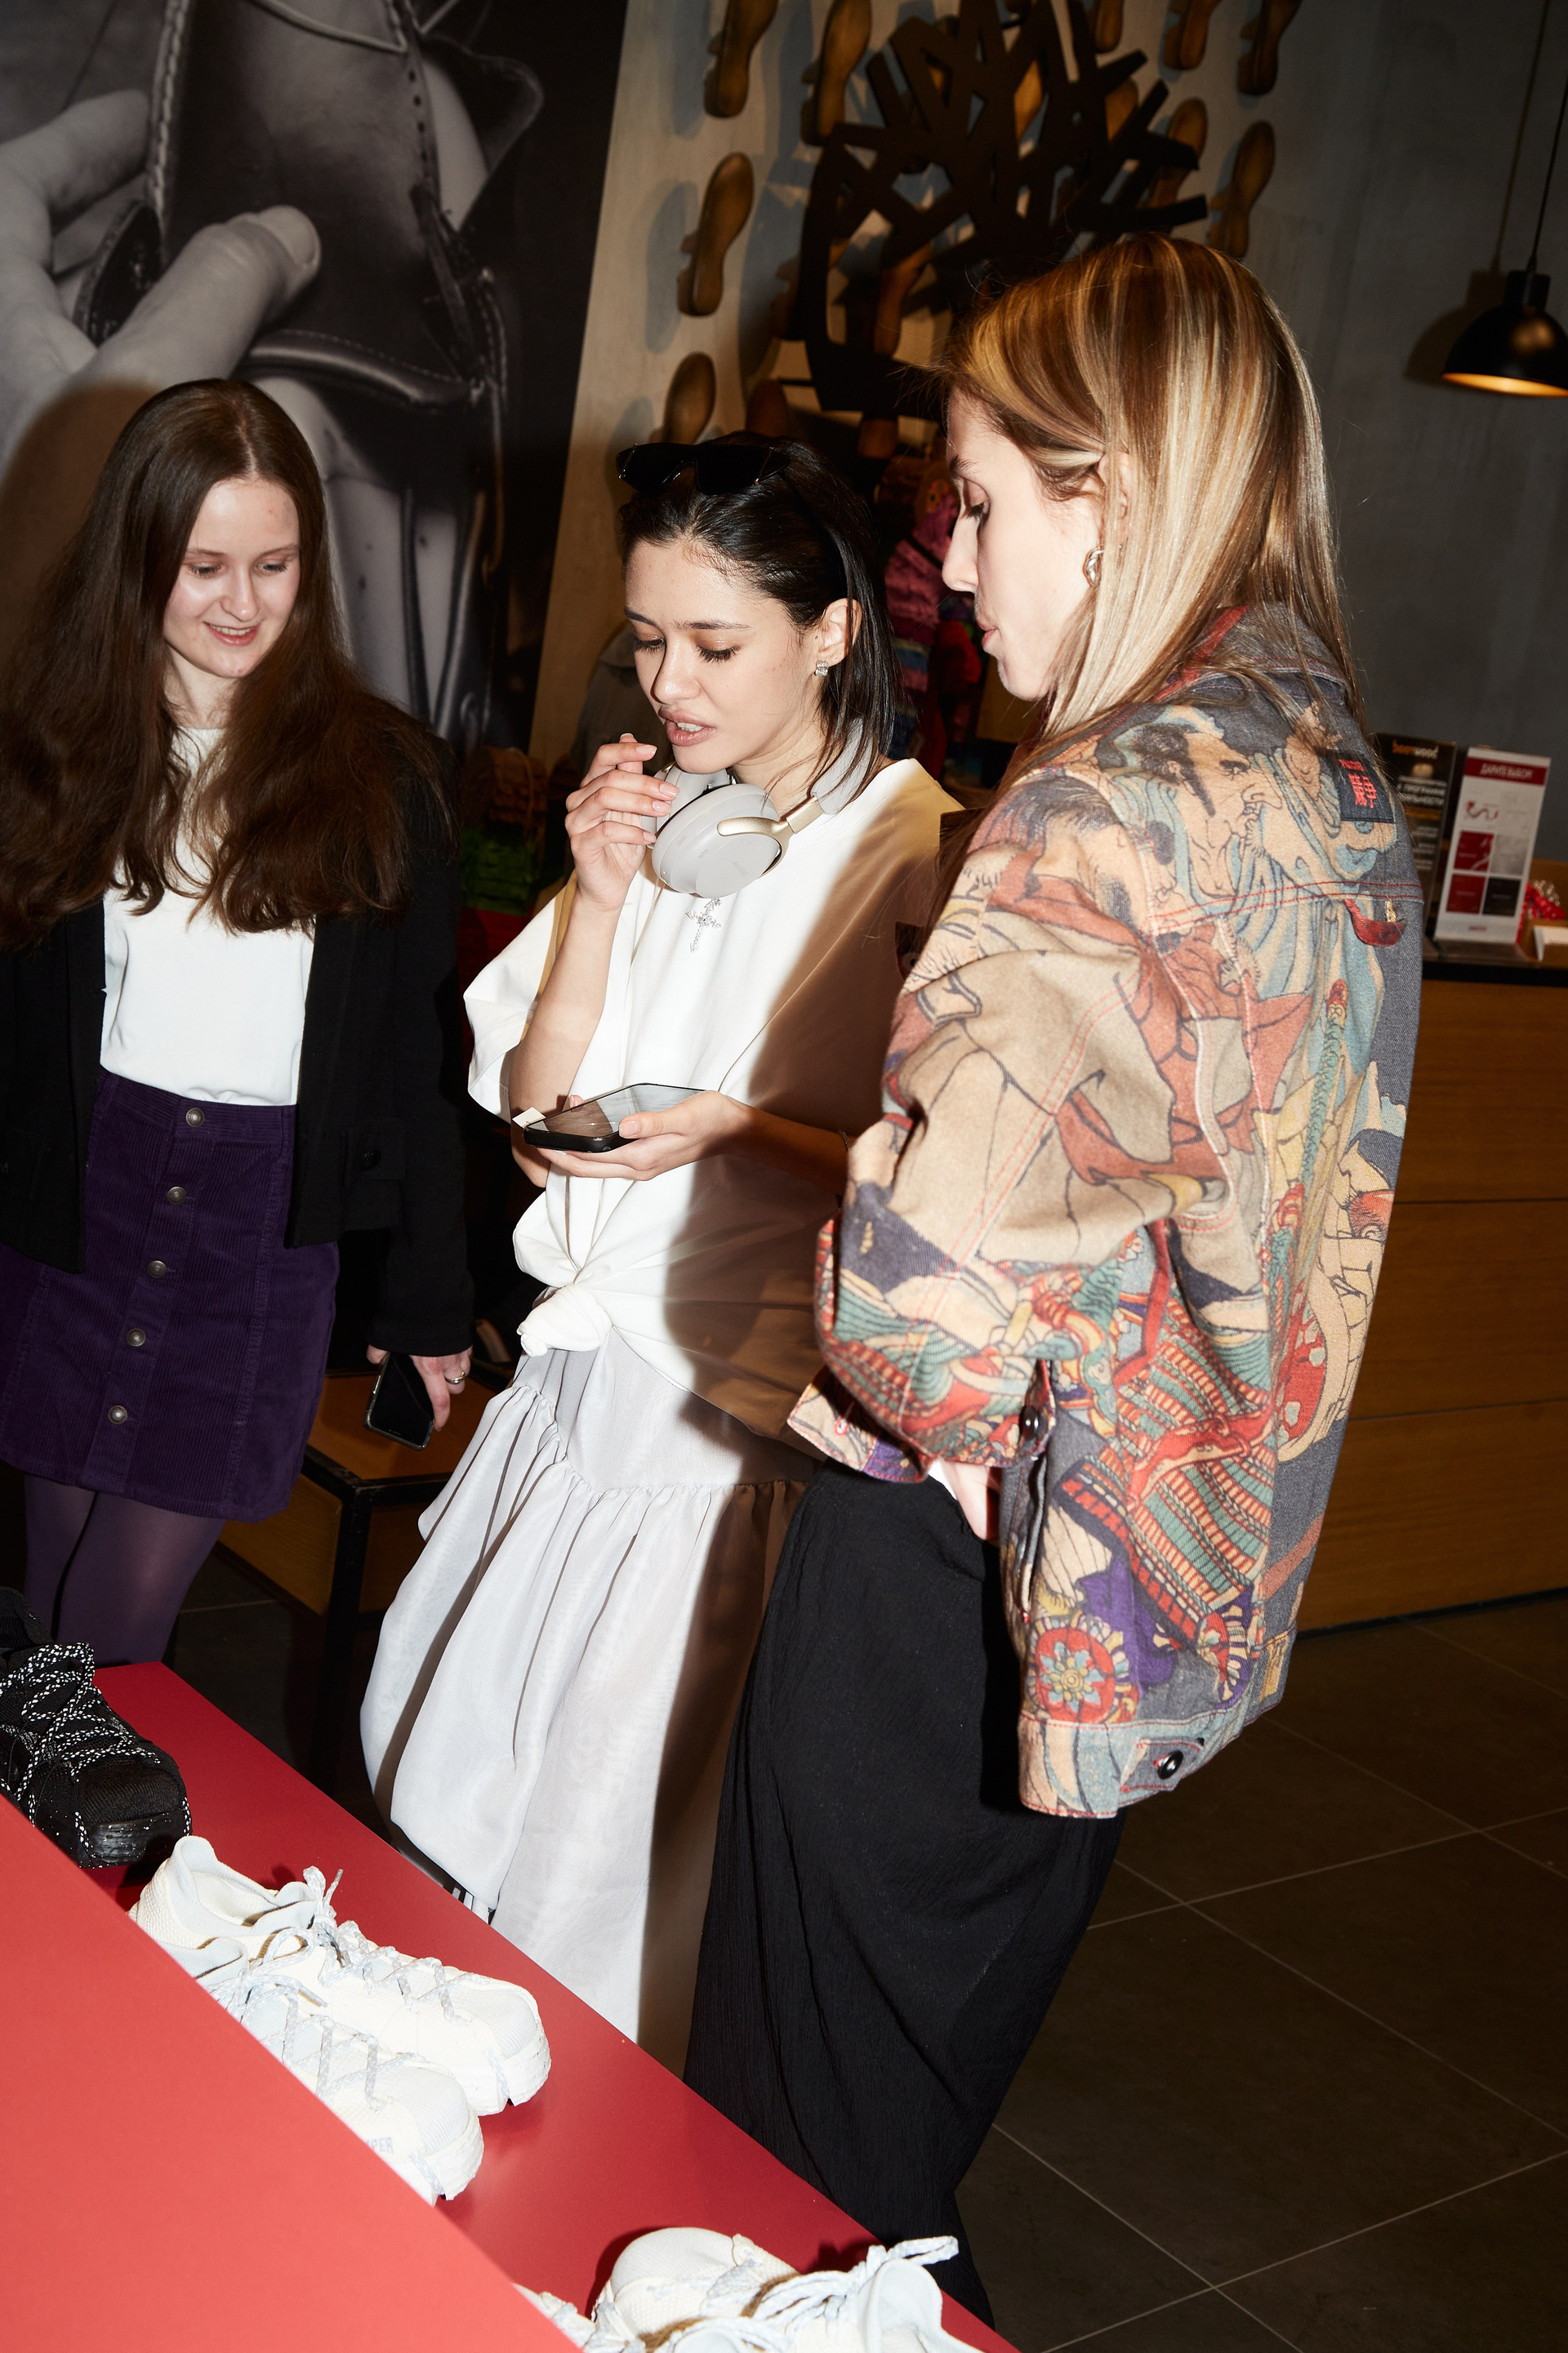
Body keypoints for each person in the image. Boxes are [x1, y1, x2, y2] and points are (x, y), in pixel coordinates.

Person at [684, 236, 1424, 2322]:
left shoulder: (1098, 805)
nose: (951, 553)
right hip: (1133, 1594)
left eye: (983, 497)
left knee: (794, 2181)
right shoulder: (1322, 766)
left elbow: (917, 1340)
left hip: (945, 1571)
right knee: (902, 2137)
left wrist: (859, 1188)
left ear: (1112, 498)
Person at [362, 436, 955, 2069]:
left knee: (610, 1879)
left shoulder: (924, 854)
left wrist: (739, 1132)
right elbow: (536, 1116)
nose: (668, 684)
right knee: (466, 1796)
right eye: (646, 641)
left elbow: (946, 1197)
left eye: (713, 644)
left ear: (833, 630)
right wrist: (606, 896)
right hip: (580, 1402)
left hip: (734, 1435)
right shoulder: (676, 810)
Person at [0, 378, 472, 1666]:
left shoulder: (385, 779)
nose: (242, 603)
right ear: (137, 555)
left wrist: (429, 1300)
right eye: (204, 565)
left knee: (117, 1621)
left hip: (255, 1236)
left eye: (275, 564)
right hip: (76, 1206)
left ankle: (62, 1786)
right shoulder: (51, 752)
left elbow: (419, 1062)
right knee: (50, 1590)